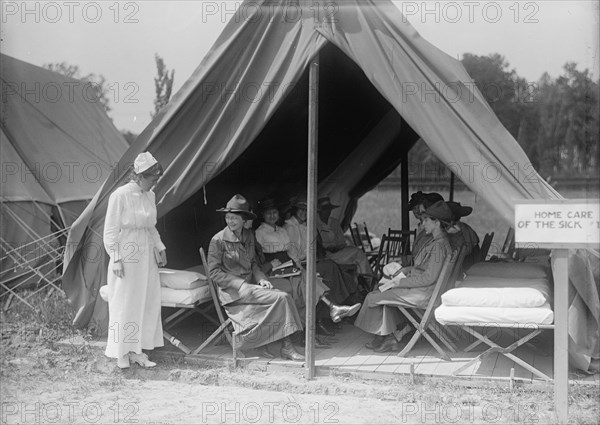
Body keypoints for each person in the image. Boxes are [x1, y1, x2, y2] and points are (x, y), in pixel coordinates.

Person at [207, 194, 305, 361]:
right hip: (233, 293)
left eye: (234, 218)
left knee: (283, 297)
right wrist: (239, 285)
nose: (230, 221)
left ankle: (285, 345)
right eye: (228, 217)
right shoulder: (218, 240)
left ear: (244, 219)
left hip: (252, 287)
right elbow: (214, 272)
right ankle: (278, 346)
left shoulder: (249, 236)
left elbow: (253, 264)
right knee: (282, 298)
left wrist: (261, 278)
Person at [254, 198, 361, 338]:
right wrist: (271, 264)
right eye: (269, 213)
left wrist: (297, 266)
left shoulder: (281, 230)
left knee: (310, 277)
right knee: (305, 282)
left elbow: (290, 252)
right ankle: (329, 311)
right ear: (263, 215)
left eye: (275, 213)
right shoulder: (260, 232)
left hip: (287, 263)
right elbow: (259, 258)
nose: (272, 216)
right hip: (274, 266)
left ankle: (329, 311)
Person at [354, 200, 453, 353]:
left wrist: (400, 282)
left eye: (426, 220)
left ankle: (387, 336)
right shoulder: (440, 242)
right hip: (426, 290)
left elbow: (429, 278)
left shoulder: (439, 246)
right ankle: (391, 337)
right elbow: (428, 271)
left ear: (437, 223)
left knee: (374, 297)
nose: (423, 223)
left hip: (423, 294)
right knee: (381, 292)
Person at [103, 152, 167, 369]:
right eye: (152, 179)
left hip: (146, 252)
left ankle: (137, 350)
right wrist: (116, 258)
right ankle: (121, 352)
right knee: (125, 302)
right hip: (126, 251)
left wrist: (159, 246)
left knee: (146, 300)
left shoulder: (150, 195)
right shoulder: (119, 195)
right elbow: (110, 231)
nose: (154, 183)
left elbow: (151, 226)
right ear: (139, 176)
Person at [316, 196, 373, 277]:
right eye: (325, 209)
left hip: (339, 251)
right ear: (320, 211)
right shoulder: (315, 224)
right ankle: (367, 280)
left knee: (358, 253)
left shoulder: (334, 222)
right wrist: (327, 247)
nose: (328, 212)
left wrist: (338, 246)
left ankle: (363, 279)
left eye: (329, 209)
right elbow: (317, 244)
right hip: (326, 255)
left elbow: (342, 240)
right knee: (358, 255)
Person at [408, 191, 444, 258]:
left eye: (418, 208)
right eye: (414, 209)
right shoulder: (421, 226)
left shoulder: (436, 234)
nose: (416, 211)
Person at [446, 201, 480, 272]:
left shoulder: (457, 230)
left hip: (467, 267)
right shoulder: (463, 226)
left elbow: (466, 251)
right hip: (471, 264)